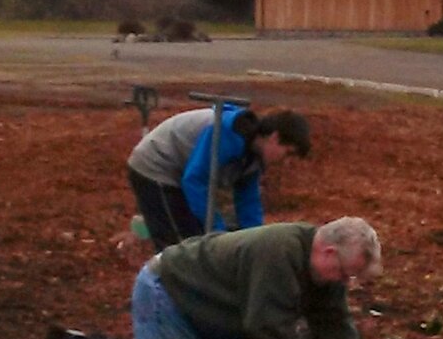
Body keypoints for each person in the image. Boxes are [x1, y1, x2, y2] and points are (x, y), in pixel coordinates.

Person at [21, 216, 377, 339]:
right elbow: (268, 323)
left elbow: (334, 323)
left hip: (210, 318)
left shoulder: (323, 273)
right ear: (328, 252)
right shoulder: (280, 252)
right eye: (345, 272)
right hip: (170, 294)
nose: (345, 282)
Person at [124, 104, 310, 246]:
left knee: (196, 238)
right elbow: (195, 180)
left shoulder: (253, 156)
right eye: (288, 153)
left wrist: (254, 241)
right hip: (156, 165)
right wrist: (218, 233)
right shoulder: (229, 133)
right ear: (275, 137)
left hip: (180, 172)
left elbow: (248, 201)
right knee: (179, 246)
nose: (286, 162)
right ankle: (161, 290)